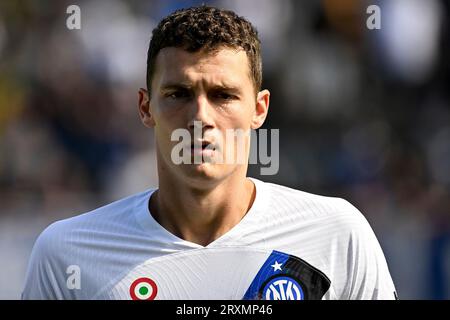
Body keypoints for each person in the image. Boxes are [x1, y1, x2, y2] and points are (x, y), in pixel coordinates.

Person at [22, 5, 396, 300]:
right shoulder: (67, 253)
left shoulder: (336, 235)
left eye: (223, 95)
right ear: (145, 107)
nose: (201, 116)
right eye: (178, 94)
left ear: (259, 109)